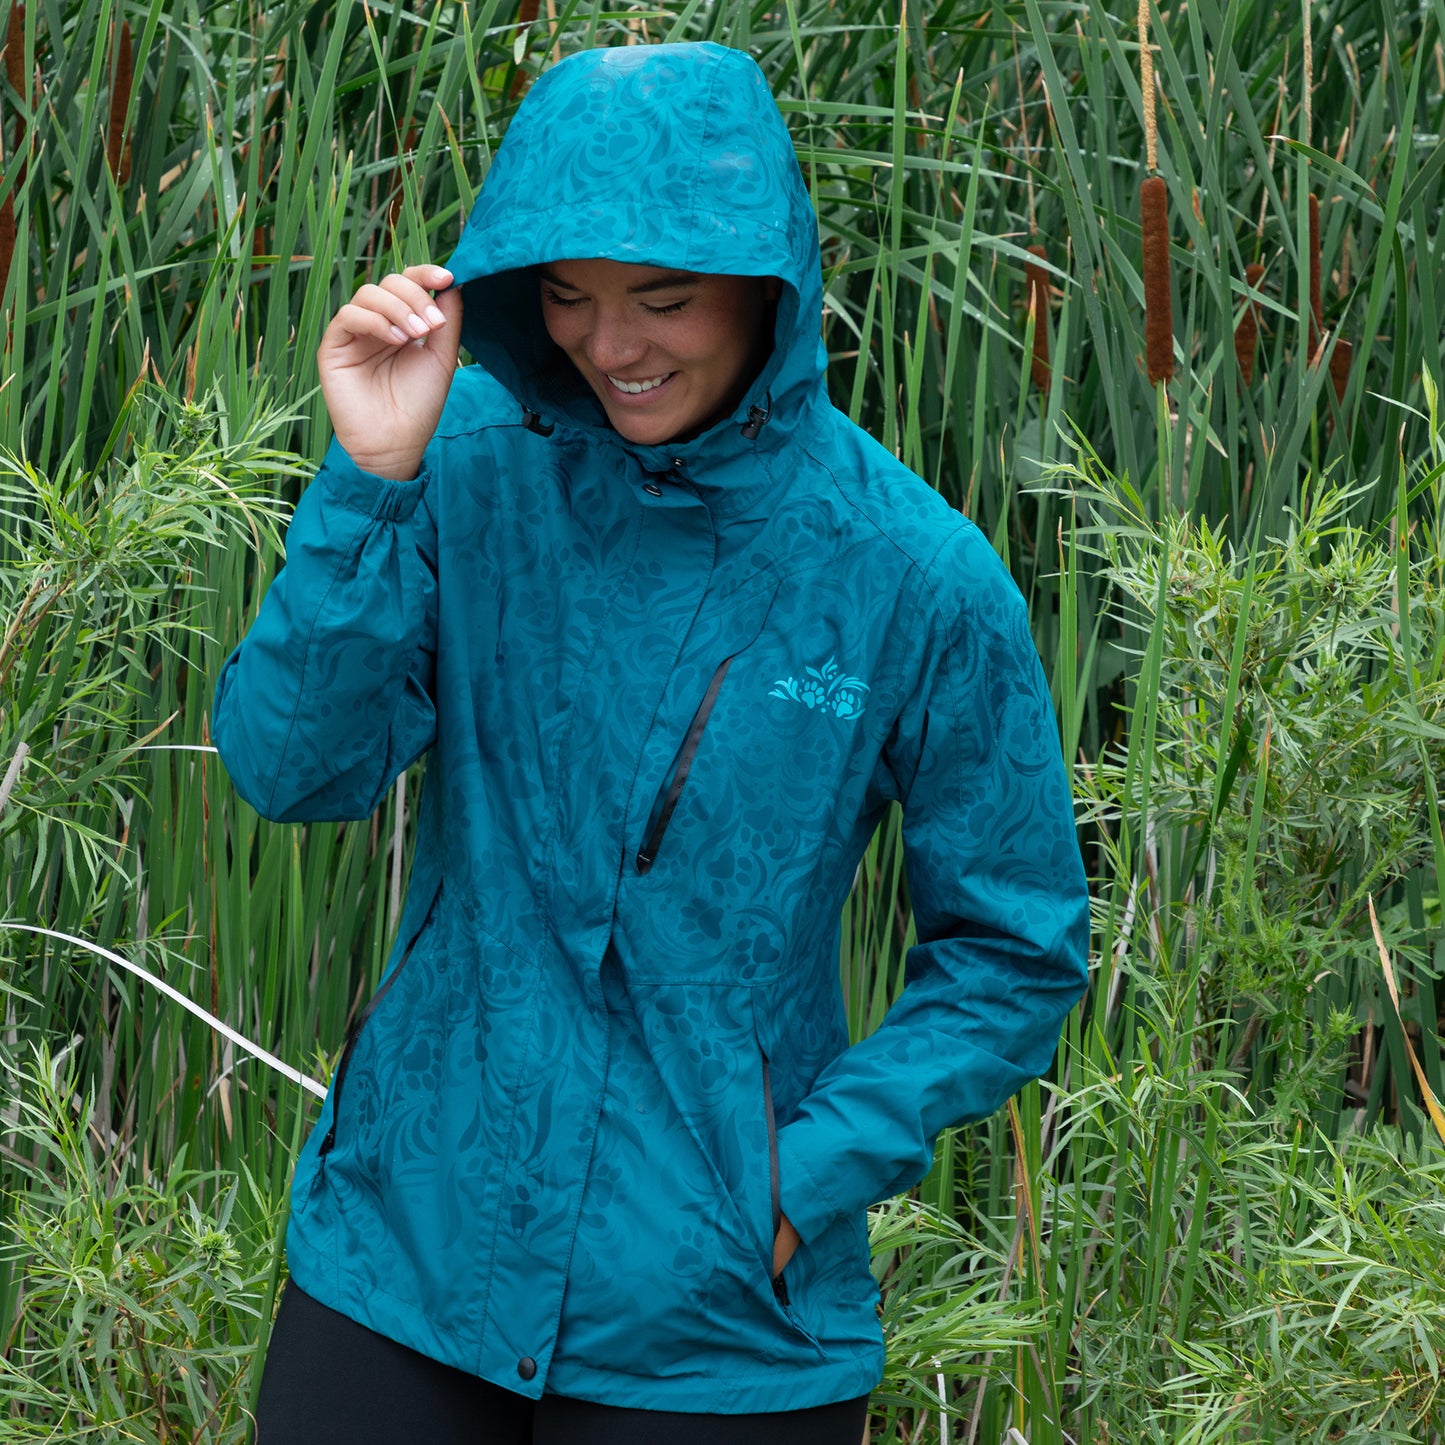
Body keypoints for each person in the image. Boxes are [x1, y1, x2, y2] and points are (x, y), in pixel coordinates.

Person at [213, 39, 1090, 1445]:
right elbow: (289, 766)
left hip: (714, 1322)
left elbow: (1016, 947)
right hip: (405, 1253)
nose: (609, 346)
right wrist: (367, 480)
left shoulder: (909, 572)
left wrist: (803, 1175)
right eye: (562, 297)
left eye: (663, 300)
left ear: (769, 287)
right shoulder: (462, 461)